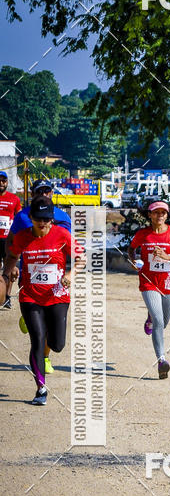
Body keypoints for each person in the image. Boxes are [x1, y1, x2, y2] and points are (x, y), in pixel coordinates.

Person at [2, 197, 84, 405]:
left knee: (57, 344)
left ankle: (40, 325)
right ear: (31, 218)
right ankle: (40, 388)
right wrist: (10, 270)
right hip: (30, 296)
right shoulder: (22, 237)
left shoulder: (62, 235)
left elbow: (81, 259)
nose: (43, 223)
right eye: (38, 219)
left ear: (52, 219)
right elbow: (12, 255)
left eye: (47, 219)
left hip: (57, 295)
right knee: (37, 339)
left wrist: (70, 276)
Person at [7, 177, 71, 372]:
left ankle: (46, 355)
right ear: (33, 194)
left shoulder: (62, 217)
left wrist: (69, 272)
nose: (43, 195)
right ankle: (41, 357)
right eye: (39, 192)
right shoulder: (22, 216)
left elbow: (67, 245)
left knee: (53, 329)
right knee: (38, 328)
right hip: (29, 273)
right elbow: (12, 242)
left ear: (52, 194)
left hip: (55, 278)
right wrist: (13, 265)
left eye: (47, 191)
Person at [128, 201, 170, 379]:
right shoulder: (143, 234)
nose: (160, 216)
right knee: (158, 321)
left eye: (163, 213)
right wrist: (133, 261)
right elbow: (131, 249)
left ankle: (150, 317)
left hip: (169, 284)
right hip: (148, 282)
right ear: (150, 215)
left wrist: (168, 257)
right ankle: (161, 360)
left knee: (164, 322)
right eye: (156, 213)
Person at [0, 170, 22, 309]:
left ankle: (7, 297)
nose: (1, 183)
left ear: (7, 182)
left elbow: (19, 218)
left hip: (8, 239)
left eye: (4, 180)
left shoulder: (14, 199)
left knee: (10, 270)